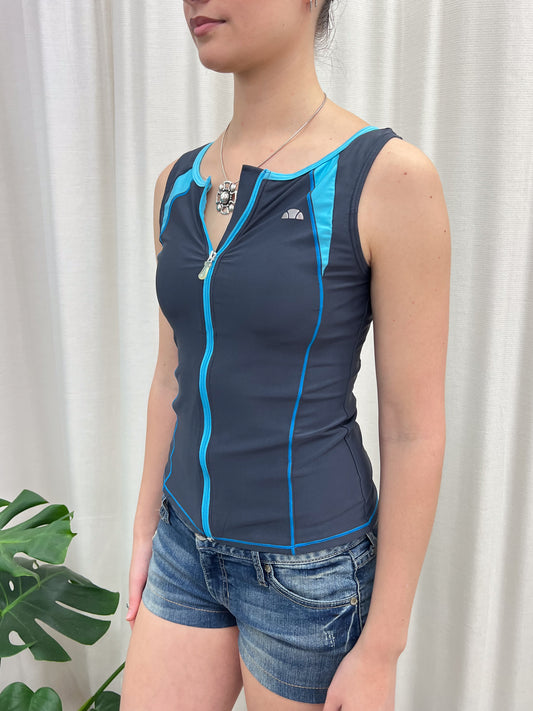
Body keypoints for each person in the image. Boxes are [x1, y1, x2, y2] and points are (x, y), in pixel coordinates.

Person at [120, 1, 450, 709]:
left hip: (310, 576)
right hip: (183, 543)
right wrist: (145, 527)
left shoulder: (385, 177)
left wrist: (383, 647)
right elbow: (171, 377)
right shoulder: (177, 183)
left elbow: (412, 427)